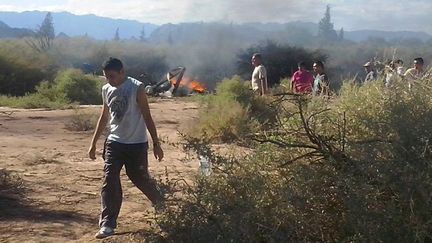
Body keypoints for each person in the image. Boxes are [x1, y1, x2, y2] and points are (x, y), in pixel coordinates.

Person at [88, 57, 164, 239]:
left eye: (112, 76)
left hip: (136, 144)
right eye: (106, 77)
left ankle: (161, 203)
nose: (109, 80)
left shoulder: (136, 88)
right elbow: (104, 116)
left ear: (122, 72)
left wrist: (156, 143)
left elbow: (147, 115)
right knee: (110, 179)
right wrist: (93, 143)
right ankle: (107, 223)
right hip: (114, 142)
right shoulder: (106, 89)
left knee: (140, 178)